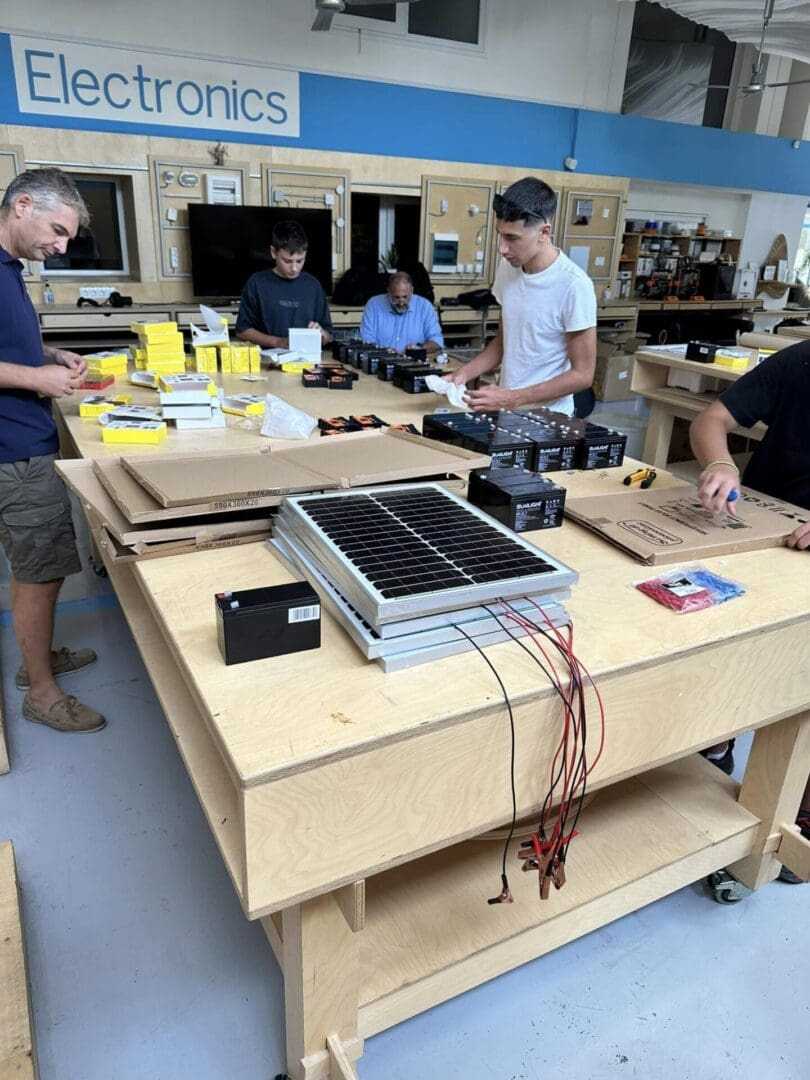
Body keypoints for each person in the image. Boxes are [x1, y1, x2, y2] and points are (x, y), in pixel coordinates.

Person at [690, 341, 810, 881]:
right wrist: (720, 463)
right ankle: (716, 741)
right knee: (716, 635)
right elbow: (712, 419)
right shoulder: (802, 360)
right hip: (762, 523)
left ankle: (795, 814)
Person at [0, 169, 105, 734]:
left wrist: (50, 355)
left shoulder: (10, 269)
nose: (62, 247)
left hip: (26, 439)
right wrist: (35, 379)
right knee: (38, 572)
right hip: (12, 449)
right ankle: (41, 693)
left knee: (47, 565)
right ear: (22, 206)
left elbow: (8, 344)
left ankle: (36, 659)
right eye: (58, 231)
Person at [446, 176, 597, 415]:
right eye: (500, 234)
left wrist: (511, 398)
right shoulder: (508, 269)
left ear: (544, 233)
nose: (502, 249)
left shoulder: (574, 286)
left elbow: (583, 375)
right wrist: (463, 374)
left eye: (512, 238)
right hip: (508, 411)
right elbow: (503, 341)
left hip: (548, 420)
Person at [235, 220, 333, 349]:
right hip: (267, 359)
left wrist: (322, 334)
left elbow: (328, 336)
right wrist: (278, 342)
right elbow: (242, 330)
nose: (294, 268)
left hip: (306, 358)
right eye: (287, 261)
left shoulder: (313, 286)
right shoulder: (257, 283)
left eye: (299, 261)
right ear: (273, 252)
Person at [359, 272, 443, 354]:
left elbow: (437, 341)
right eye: (396, 297)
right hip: (381, 359)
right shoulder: (374, 305)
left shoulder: (425, 306)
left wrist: (418, 349)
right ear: (388, 291)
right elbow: (367, 340)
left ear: (412, 290)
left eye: (405, 297)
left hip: (413, 360)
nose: (401, 302)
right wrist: (384, 352)